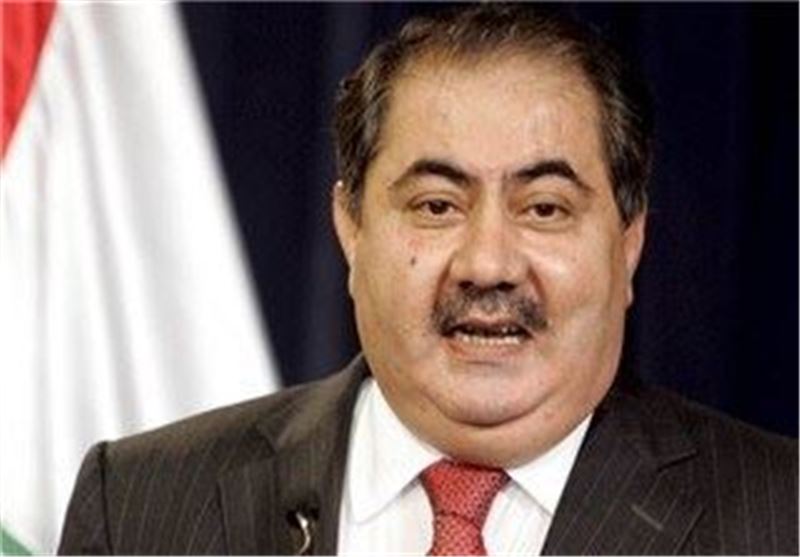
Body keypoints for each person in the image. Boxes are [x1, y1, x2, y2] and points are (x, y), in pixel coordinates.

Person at [58, 4, 797, 555]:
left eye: (544, 208)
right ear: (351, 227)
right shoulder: (141, 508)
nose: (488, 264)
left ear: (628, 243)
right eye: (437, 205)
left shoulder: (781, 520)